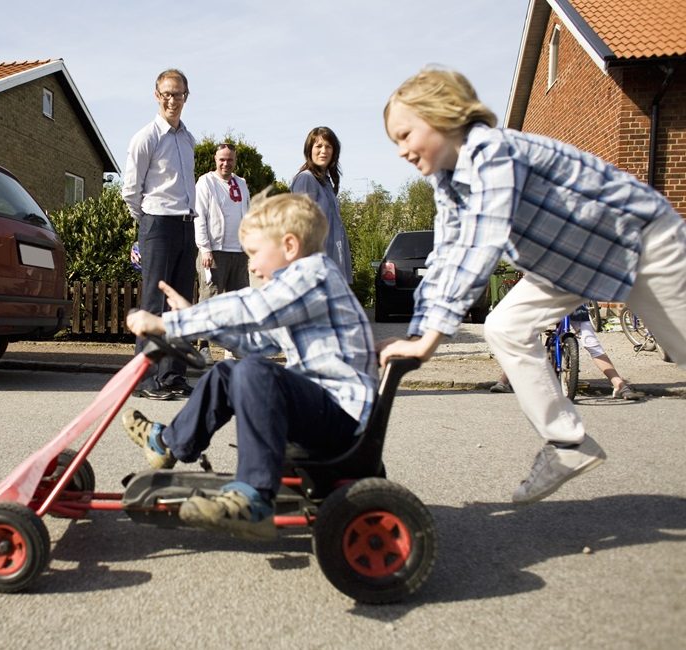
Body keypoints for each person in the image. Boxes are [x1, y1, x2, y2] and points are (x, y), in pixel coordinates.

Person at [380, 66, 686, 505]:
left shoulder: (491, 152)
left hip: (641, 242)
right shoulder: (446, 184)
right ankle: (568, 444)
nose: (401, 151)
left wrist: (429, 340)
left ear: (443, 115)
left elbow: (479, 245)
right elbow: (447, 256)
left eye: (405, 135)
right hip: (572, 263)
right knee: (504, 325)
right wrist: (415, 335)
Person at [121, 192, 377, 540]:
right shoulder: (299, 292)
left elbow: (253, 306)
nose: (252, 266)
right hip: (323, 409)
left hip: (341, 418)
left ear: (289, 246)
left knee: (254, 371)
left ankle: (253, 498)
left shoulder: (313, 276)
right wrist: (194, 319)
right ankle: (170, 443)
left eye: (255, 254)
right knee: (230, 370)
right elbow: (256, 343)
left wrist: (173, 324)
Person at [122, 69, 197, 400]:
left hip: (185, 224)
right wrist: (148, 219)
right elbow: (130, 189)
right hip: (158, 223)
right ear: (156, 95)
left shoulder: (188, 139)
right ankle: (145, 378)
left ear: (186, 96)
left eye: (177, 94)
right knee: (154, 304)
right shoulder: (146, 137)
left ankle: (172, 375)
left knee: (180, 304)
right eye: (166, 93)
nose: (172, 100)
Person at [490, 305, 646, 400]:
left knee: (591, 342)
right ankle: (504, 381)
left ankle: (619, 385)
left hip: (573, 301)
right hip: (545, 299)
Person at [194, 142, 251, 364]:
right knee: (210, 299)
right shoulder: (206, 182)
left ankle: (232, 347)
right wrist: (205, 248)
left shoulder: (242, 183)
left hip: (238, 251)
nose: (226, 163)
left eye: (230, 159)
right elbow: (199, 217)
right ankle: (204, 347)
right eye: (222, 159)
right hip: (214, 252)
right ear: (215, 160)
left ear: (235, 160)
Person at [290, 126, 353, 284]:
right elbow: (299, 224)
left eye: (328, 146)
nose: (323, 150)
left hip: (330, 260)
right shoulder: (306, 178)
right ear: (309, 150)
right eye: (318, 146)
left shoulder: (326, 182)